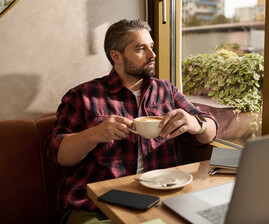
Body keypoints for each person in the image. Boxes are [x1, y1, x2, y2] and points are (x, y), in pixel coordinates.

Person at [46, 19, 218, 223]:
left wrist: (196, 124)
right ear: (116, 56)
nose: (152, 55)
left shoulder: (166, 91)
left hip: (158, 200)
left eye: (151, 47)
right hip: (96, 206)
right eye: (141, 48)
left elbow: (211, 128)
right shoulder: (83, 96)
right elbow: (57, 155)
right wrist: (96, 134)